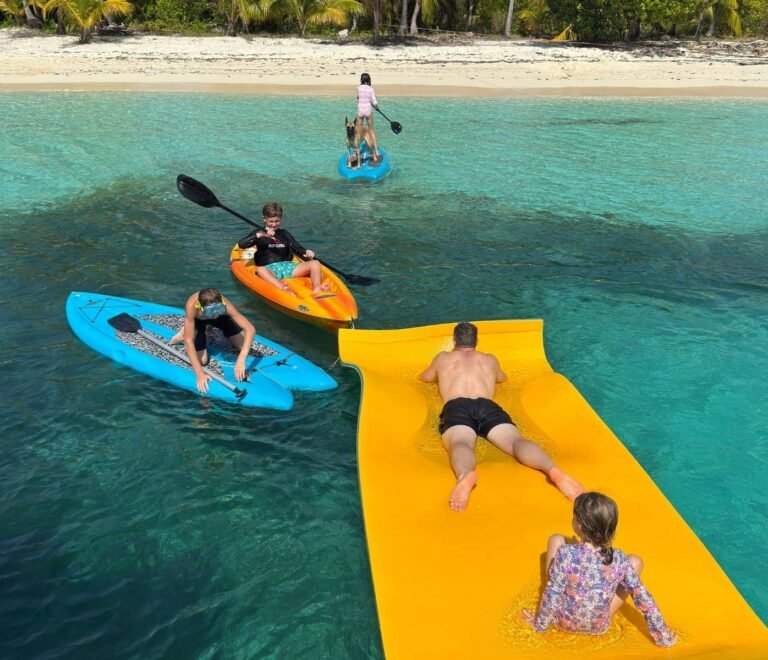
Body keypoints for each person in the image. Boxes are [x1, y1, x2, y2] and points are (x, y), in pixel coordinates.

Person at [420, 321, 584, 512]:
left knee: (460, 444)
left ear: (454, 339)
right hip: (486, 404)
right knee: (516, 442)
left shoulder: (443, 358)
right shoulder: (489, 359)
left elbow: (425, 378)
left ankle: (465, 475)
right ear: (477, 341)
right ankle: (552, 470)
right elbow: (502, 379)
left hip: (457, 405)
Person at [522, 491, 677, 647]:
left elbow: (553, 592)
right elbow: (643, 598)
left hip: (562, 622)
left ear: (579, 525)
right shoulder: (619, 559)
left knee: (555, 539)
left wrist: (539, 625)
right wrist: (663, 635)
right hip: (599, 626)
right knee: (634, 565)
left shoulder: (566, 554)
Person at [169, 288, 256, 394]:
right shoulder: (192, 307)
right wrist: (200, 374)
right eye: (211, 311)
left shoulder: (225, 306)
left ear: (221, 303)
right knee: (202, 361)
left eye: (218, 308)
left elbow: (250, 329)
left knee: (244, 348)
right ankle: (184, 332)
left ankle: (210, 327)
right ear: (200, 307)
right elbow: (189, 342)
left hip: (222, 318)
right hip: (199, 321)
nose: (215, 313)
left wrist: (241, 360)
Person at [237, 202, 329, 295]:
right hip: (270, 269)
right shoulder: (259, 232)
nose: (273, 224)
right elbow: (241, 244)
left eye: (277, 221)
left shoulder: (284, 233)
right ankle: (283, 288)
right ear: (264, 219)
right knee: (260, 270)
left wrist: (307, 253)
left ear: (280, 219)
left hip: (288, 267)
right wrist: (259, 235)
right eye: (271, 221)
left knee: (315, 263)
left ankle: (317, 288)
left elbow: (297, 248)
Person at [356, 72, 380, 160]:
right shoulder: (371, 89)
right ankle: (376, 151)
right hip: (368, 111)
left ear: (361, 80)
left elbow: (358, 98)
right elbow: (374, 101)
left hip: (360, 111)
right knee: (371, 130)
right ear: (369, 80)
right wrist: (377, 107)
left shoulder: (358, 88)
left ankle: (356, 152)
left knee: (358, 131)